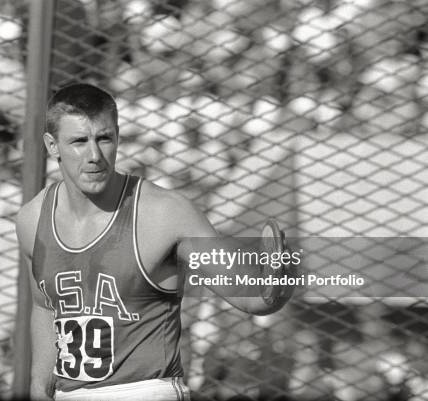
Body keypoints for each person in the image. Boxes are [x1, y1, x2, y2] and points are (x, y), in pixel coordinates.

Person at [15, 83, 292, 401]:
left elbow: (251, 298)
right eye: (79, 141)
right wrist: (39, 383)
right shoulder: (31, 219)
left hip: (146, 390)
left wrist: (280, 277)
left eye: (104, 138)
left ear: (117, 137)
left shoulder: (165, 212)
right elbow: (45, 306)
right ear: (52, 146)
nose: (94, 155)